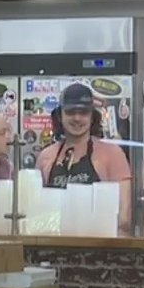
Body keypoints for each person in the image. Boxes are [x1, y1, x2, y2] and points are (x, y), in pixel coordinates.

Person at [36, 83, 133, 228]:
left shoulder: (112, 154)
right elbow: (36, 212)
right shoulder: (46, 157)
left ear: (92, 116)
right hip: (54, 244)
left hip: (100, 245)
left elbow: (124, 218)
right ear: (60, 116)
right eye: (70, 112)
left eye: (83, 112)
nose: (77, 118)